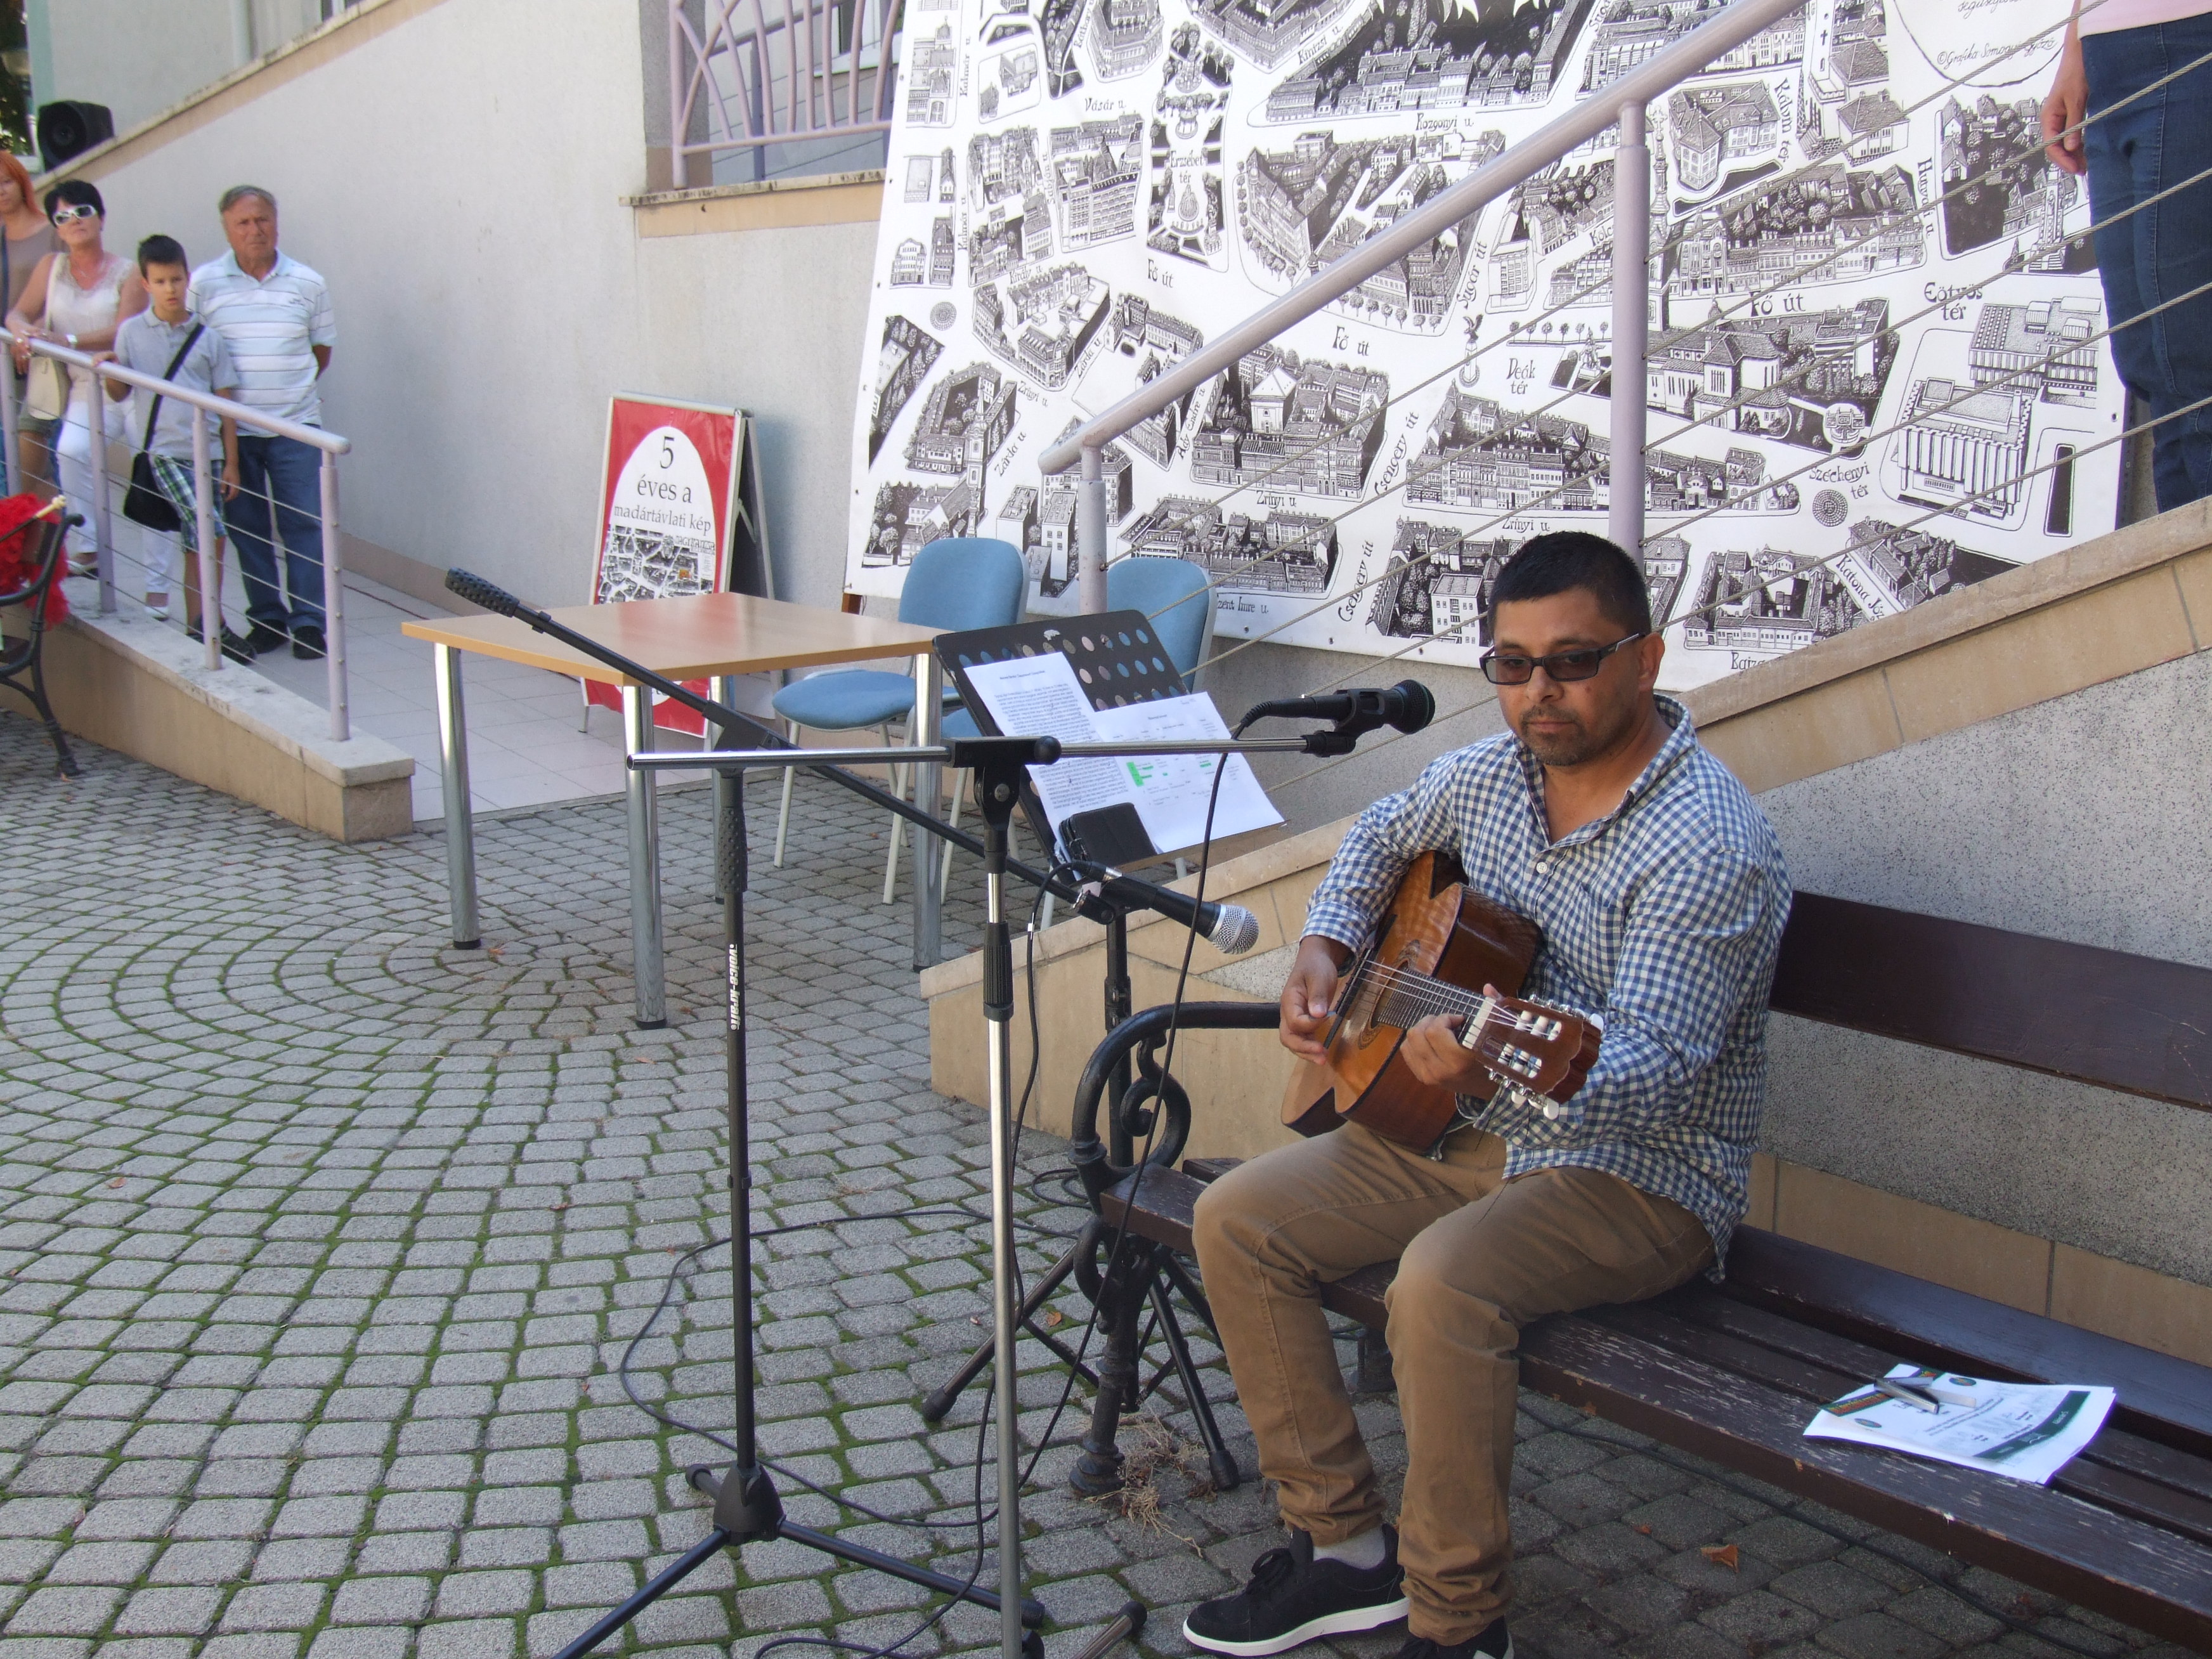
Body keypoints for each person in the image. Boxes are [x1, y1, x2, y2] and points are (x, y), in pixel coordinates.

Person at [1183, 533, 1791, 1659]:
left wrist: (1493, 1060)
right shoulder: (1492, 774)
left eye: (1572, 661)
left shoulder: (1707, 842)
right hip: (1460, 1128)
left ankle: (1458, 1622)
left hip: (1639, 1175)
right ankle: (1341, 1551)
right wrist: (1325, 945)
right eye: (1511, 665)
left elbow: (1659, 1068)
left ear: (1647, 657)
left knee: (1441, 1284)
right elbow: (1379, 834)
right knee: (1235, 1219)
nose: (1537, 692)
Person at [2044, 0, 2212, 511]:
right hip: (2107, 62)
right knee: (2148, 365)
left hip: (2187, 43)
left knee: (2190, 359)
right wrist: (2075, 48)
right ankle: (2183, 555)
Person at [188, 185, 335, 660]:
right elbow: (191, 350)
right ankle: (267, 617)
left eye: (263, 220)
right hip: (233, 433)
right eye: (243, 223)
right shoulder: (204, 284)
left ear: (276, 222)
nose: (255, 230)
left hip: (297, 428)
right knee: (246, 527)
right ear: (227, 229)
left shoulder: (308, 283)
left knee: (304, 524)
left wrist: (284, 390)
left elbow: (321, 352)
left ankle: (309, 622)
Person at [103, 235, 251, 660]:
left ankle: (199, 625)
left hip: (207, 453)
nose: (170, 289)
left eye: (176, 279)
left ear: (187, 278)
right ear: (146, 284)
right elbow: (118, 392)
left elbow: (225, 406)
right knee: (210, 529)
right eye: (160, 281)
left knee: (198, 539)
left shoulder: (208, 338)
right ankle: (213, 624)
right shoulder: (132, 332)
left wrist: (232, 463)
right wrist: (110, 368)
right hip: (164, 453)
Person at [5, 178, 148, 573]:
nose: (74, 221)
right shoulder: (51, 266)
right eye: (63, 216)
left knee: (150, 471)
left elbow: (123, 331)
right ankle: (89, 547)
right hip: (82, 387)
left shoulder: (130, 272)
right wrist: (22, 332)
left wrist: (65, 340)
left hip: (126, 385)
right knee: (70, 451)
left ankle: (159, 588)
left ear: (101, 217)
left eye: (83, 211)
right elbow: (18, 312)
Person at [0, 153, 62, 488]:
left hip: (42, 355)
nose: (1, 190)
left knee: (45, 453)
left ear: (22, 183)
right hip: (5, 359)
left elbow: (65, 291)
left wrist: (29, 334)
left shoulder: (52, 233)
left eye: (7, 181)